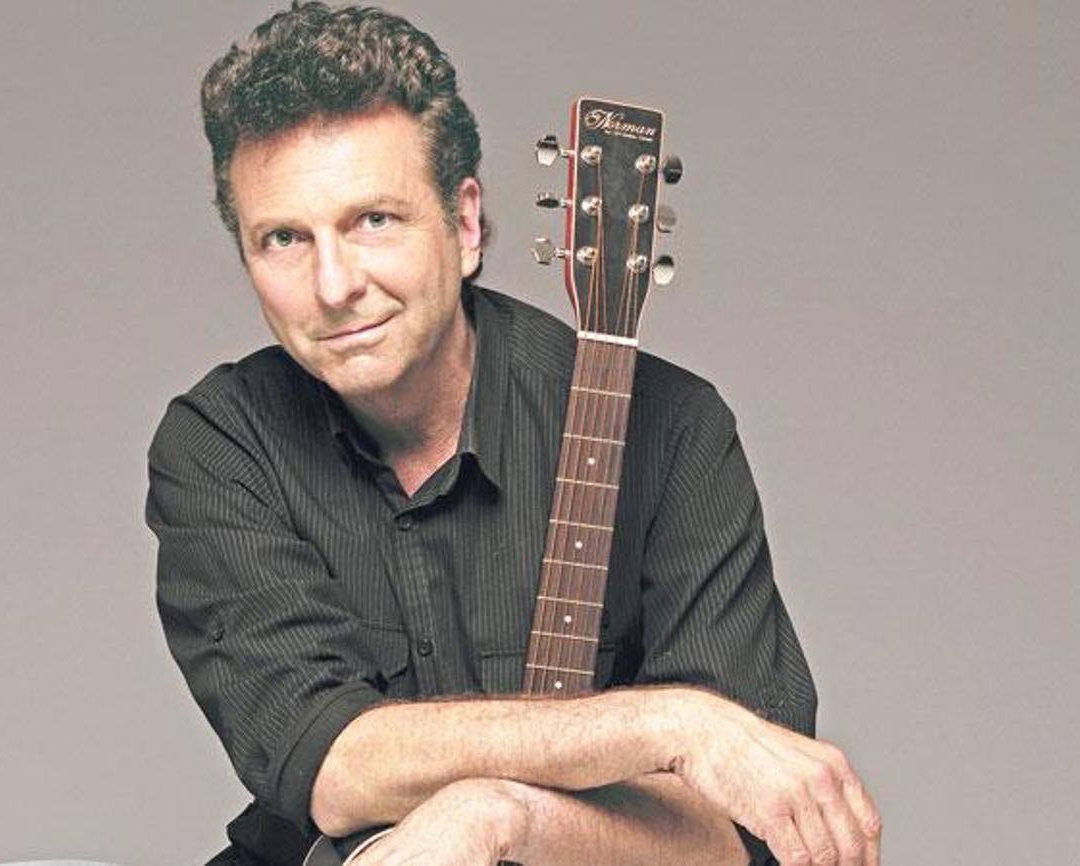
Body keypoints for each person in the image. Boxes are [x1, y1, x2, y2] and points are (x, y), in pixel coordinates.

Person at [146, 3, 881, 864]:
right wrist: (674, 724)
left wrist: (497, 816)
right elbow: (329, 763)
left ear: (464, 225)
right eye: (283, 239)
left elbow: (742, 833)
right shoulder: (221, 444)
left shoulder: (672, 431)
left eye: (373, 221)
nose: (335, 285)